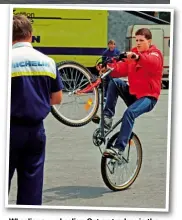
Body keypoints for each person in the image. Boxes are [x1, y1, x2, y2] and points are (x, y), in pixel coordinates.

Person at [9, 15, 64, 205]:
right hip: (36, 131)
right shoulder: (48, 62)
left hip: (8, 129)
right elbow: (57, 98)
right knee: (31, 192)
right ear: (31, 35)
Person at [96, 28, 163, 160]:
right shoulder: (133, 53)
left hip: (148, 97)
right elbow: (122, 68)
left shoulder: (155, 54)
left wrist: (138, 57)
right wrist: (108, 68)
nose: (138, 43)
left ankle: (119, 149)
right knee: (114, 82)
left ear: (149, 41)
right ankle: (107, 117)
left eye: (141, 40)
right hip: (134, 94)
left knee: (129, 113)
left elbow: (152, 63)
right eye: (136, 40)